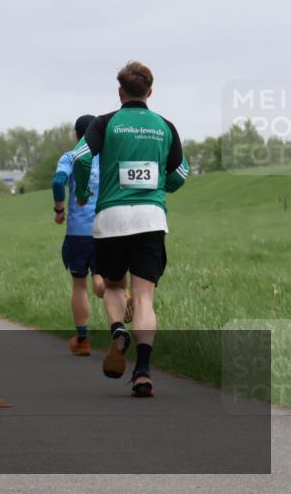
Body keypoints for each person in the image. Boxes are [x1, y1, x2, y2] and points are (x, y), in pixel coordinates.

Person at [72, 61, 188, 398]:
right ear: (150, 92)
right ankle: (142, 372)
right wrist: (161, 187)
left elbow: (80, 157)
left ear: (120, 91)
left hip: (111, 219)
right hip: (151, 218)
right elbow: (180, 174)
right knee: (144, 297)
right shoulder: (165, 126)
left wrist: (83, 190)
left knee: (112, 286)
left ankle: (118, 330)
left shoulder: (105, 123)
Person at [53, 115, 106, 356]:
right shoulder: (108, 158)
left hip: (78, 233)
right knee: (102, 280)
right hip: (106, 229)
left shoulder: (71, 156)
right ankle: (121, 298)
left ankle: (83, 341)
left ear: (76, 135)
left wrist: (59, 210)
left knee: (79, 285)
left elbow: (58, 182)